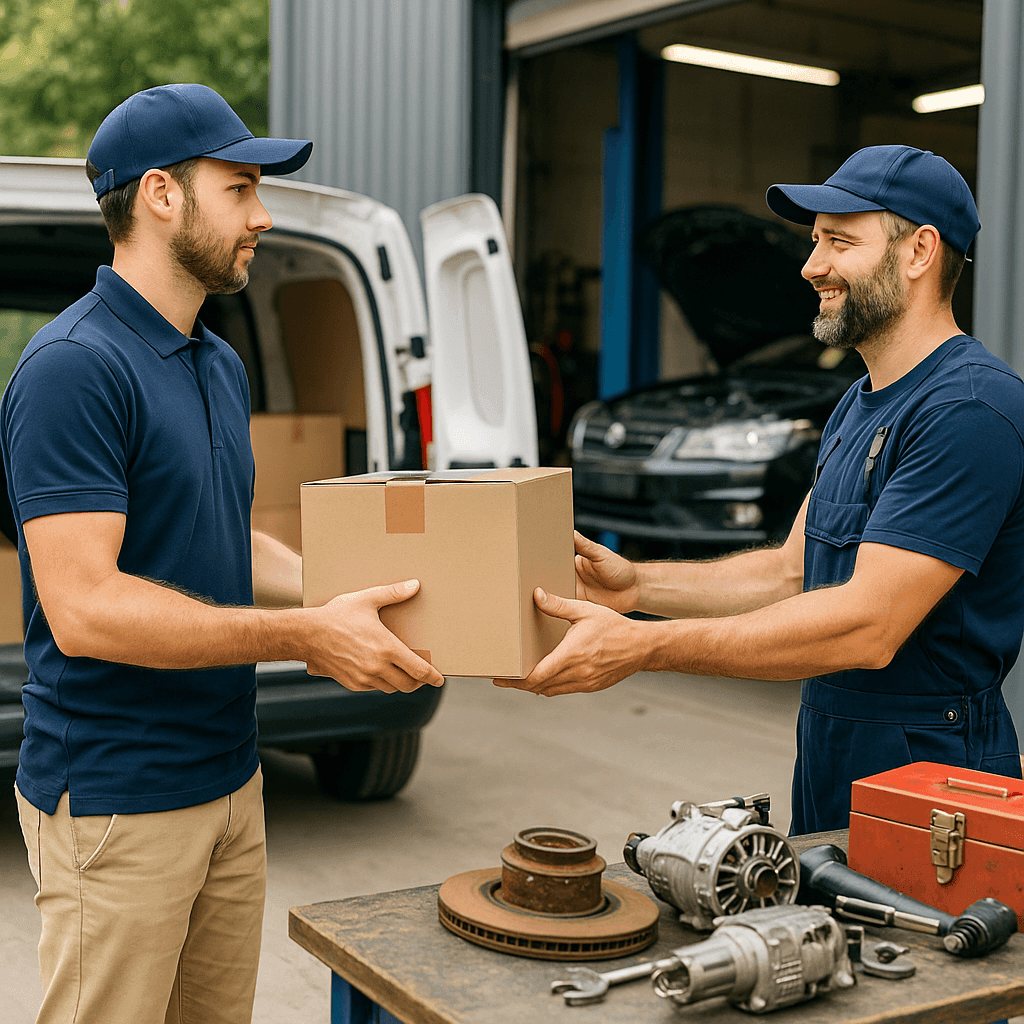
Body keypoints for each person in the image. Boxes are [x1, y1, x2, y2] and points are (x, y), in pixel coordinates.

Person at [3, 84, 443, 1024]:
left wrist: (362, 593)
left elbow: (226, 534)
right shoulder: (73, 367)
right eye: (240, 188)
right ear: (161, 194)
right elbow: (85, 607)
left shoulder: (213, 359)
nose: (263, 215)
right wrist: (306, 639)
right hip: (122, 800)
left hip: (229, 780)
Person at [499, 145, 1024, 835]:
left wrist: (644, 647)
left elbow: (868, 626)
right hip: (835, 750)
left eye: (839, 241)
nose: (812, 266)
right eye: (813, 243)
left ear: (920, 251)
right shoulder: (859, 403)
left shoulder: (968, 411)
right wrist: (637, 590)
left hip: (933, 772)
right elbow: (788, 571)